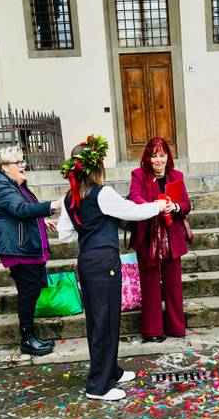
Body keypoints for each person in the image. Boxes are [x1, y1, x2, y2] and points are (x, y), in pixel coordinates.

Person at [57, 135, 168, 402]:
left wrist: (89, 228)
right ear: (96, 166)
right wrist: (158, 206)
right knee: (104, 322)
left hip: (87, 260)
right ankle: (98, 386)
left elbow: (65, 234)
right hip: (104, 261)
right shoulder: (102, 193)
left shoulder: (69, 198)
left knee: (102, 320)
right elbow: (132, 211)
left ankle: (111, 371)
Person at [0, 146, 61, 356]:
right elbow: (20, 209)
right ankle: (27, 339)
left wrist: (42, 220)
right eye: (18, 162)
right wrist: (53, 204)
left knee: (32, 289)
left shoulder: (15, 184)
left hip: (24, 244)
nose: (23, 165)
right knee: (28, 291)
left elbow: (22, 209)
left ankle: (30, 336)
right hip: (17, 247)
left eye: (23, 161)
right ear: (5, 167)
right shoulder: (1, 186)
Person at [128, 137, 191, 342]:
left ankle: (176, 328)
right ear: (148, 157)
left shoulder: (176, 175)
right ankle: (153, 331)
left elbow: (186, 204)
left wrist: (175, 207)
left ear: (167, 157)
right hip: (147, 236)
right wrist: (153, 206)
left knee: (174, 286)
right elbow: (133, 197)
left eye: (162, 155)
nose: (158, 160)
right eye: (154, 155)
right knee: (150, 285)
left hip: (172, 236)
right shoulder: (138, 175)